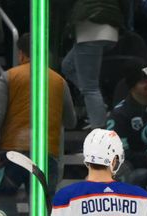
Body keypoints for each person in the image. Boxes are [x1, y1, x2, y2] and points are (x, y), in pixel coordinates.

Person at [0, 32, 77, 216]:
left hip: (13, 151)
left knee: (5, 196)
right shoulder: (58, 80)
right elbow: (71, 120)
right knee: (44, 203)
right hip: (48, 152)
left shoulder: (9, 76)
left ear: (21, 52)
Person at [62, 0, 123, 128]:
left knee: (90, 87)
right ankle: (98, 106)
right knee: (68, 65)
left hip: (89, 28)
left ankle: (99, 128)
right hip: (110, 26)